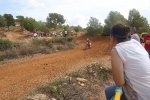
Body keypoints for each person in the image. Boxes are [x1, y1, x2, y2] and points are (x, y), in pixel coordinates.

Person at [105, 23, 150, 100]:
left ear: (112, 37)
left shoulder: (117, 49)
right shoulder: (135, 43)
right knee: (110, 90)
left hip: (143, 96)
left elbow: (120, 82)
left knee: (108, 92)